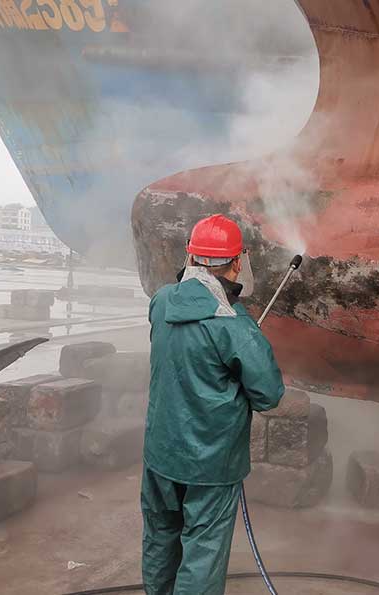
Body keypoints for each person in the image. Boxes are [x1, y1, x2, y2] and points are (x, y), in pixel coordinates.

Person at [141, 214, 285, 595]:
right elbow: (269, 394)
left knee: (160, 539)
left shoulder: (161, 301)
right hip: (210, 464)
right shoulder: (234, 324)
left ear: (190, 257)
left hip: (160, 454)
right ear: (237, 263)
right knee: (202, 553)